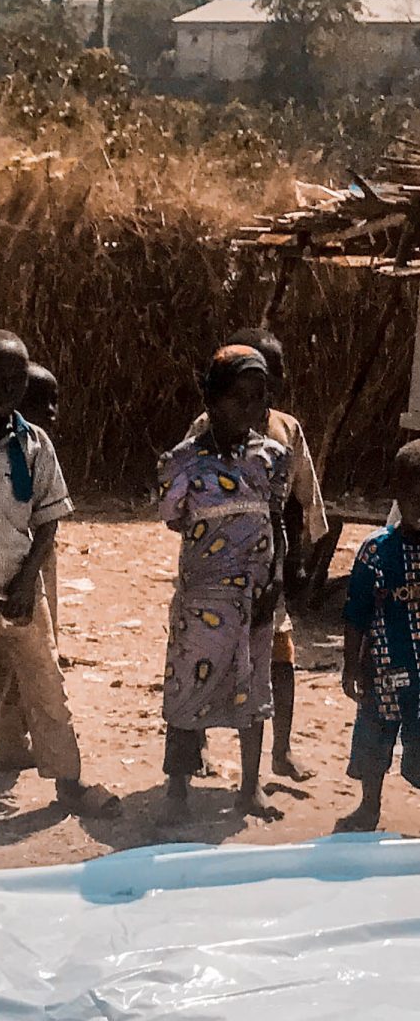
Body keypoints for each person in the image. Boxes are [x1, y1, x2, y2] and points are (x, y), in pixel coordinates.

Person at [0, 331, 102, 812]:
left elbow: (48, 519)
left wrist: (29, 579)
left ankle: (68, 778)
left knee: (46, 682)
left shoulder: (34, 443)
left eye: (16, 379)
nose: (5, 388)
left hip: (22, 589)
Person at [159, 345, 287, 820]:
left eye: (260, 398)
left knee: (254, 688)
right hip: (203, 599)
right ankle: (177, 789)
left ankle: (250, 788)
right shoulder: (182, 463)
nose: (251, 408)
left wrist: (276, 579)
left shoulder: (272, 457)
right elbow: (174, 517)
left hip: (257, 596)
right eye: (240, 397)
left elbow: (277, 519)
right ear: (212, 400)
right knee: (186, 687)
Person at [228, 324, 329, 781]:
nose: (277, 381)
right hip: (219, 573)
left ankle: (281, 750)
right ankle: (193, 751)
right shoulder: (210, 429)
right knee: (210, 666)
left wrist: (301, 560)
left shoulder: (286, 430)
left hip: (270, 572)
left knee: (281, 661)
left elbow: (305, 495)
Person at [336, 442, 420, 831]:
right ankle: (369, 807)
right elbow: (356, 614)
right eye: (416, 498)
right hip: (382, 670)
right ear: (398, 495)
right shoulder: (376, 551)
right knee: (372, 741)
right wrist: (351, 665)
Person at [0, 362, 62, 772]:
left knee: (27, 661)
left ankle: (12, 741)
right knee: (7, 660)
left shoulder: (39, 450)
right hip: (11, 571)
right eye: (40, 402)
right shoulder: (3, 451)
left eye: (55, 401)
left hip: (38, 566)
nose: (51, 411)